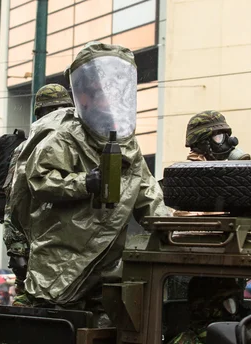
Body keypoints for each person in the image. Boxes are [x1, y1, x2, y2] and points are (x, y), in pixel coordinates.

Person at [9, 42, 169, 326]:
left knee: (99, 338)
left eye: (115, 95)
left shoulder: (128, 146)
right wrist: (85, 182)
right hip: (59, 263)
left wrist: (174, 233)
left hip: (103, 267)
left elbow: (149, 198)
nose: (108, 102)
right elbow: (40, 181)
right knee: (46, 334)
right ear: (83, 98)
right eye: (99, 95)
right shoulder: (63, 138)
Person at [3, 84, 74, 293]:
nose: (58, 115)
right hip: (34, 241)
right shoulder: (26, 150)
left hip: (66, 241)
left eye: (63, 109)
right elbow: (13, 200)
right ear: (41, 115)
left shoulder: (75, 144)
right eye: (52, 110)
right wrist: (17, 250)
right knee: (30, 299)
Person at [185, 110, 251, 161]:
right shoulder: (188, 175)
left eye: (226, 136)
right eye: (219, 136)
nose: (228, 142)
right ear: (202, 143)